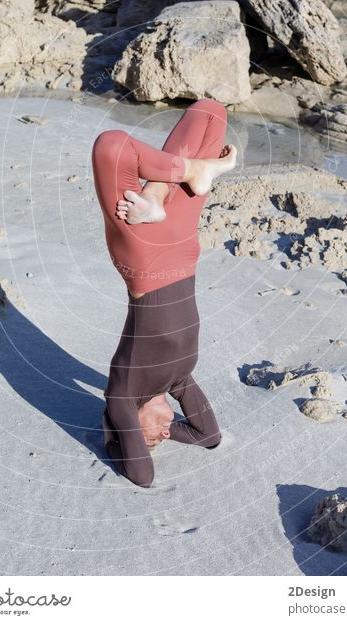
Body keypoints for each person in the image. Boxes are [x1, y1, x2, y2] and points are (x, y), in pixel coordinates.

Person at [91, 98, 237, 487]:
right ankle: (170, 184)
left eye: (149, 437)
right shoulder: (177, 381)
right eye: (159, 440)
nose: (160, 434)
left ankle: (175, 180)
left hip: (144, 259)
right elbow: (209, 435)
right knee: (211, 112)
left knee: (110, 146)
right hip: (183, 250)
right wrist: (171, 432)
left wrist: (124, 439)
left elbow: (141, 474)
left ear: (129, 427)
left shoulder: (122, 394)